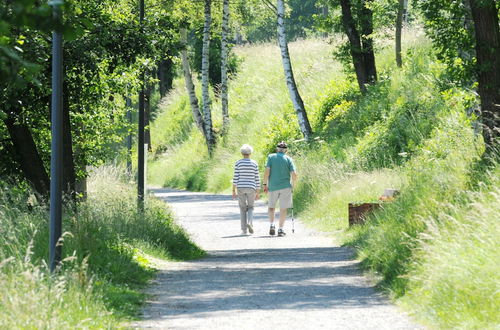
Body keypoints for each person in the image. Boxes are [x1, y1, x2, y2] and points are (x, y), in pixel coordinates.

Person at [263, 141, 297, 237]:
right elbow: (294, 174)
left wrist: (264, 184)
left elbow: (267, 171)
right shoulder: (289, 159)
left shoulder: (271, 157)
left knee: (271, 207)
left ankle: (272, 224)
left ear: (277, 149)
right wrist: (293, 185)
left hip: (273, 186)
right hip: (286, 187)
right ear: (286, 150)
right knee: (283, 209)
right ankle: (280, 229)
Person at [232, 144, 260, 235]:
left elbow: (235, 177)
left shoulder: (238, 163)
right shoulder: (254, 163)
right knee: (251, 207)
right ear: (250, 153)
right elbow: (257, 178)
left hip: (240, 187)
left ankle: (244, 230)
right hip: (251, 187)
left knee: (242, 208)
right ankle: (250, 223)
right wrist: (258, 191)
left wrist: (233, 190)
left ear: (241, 153)